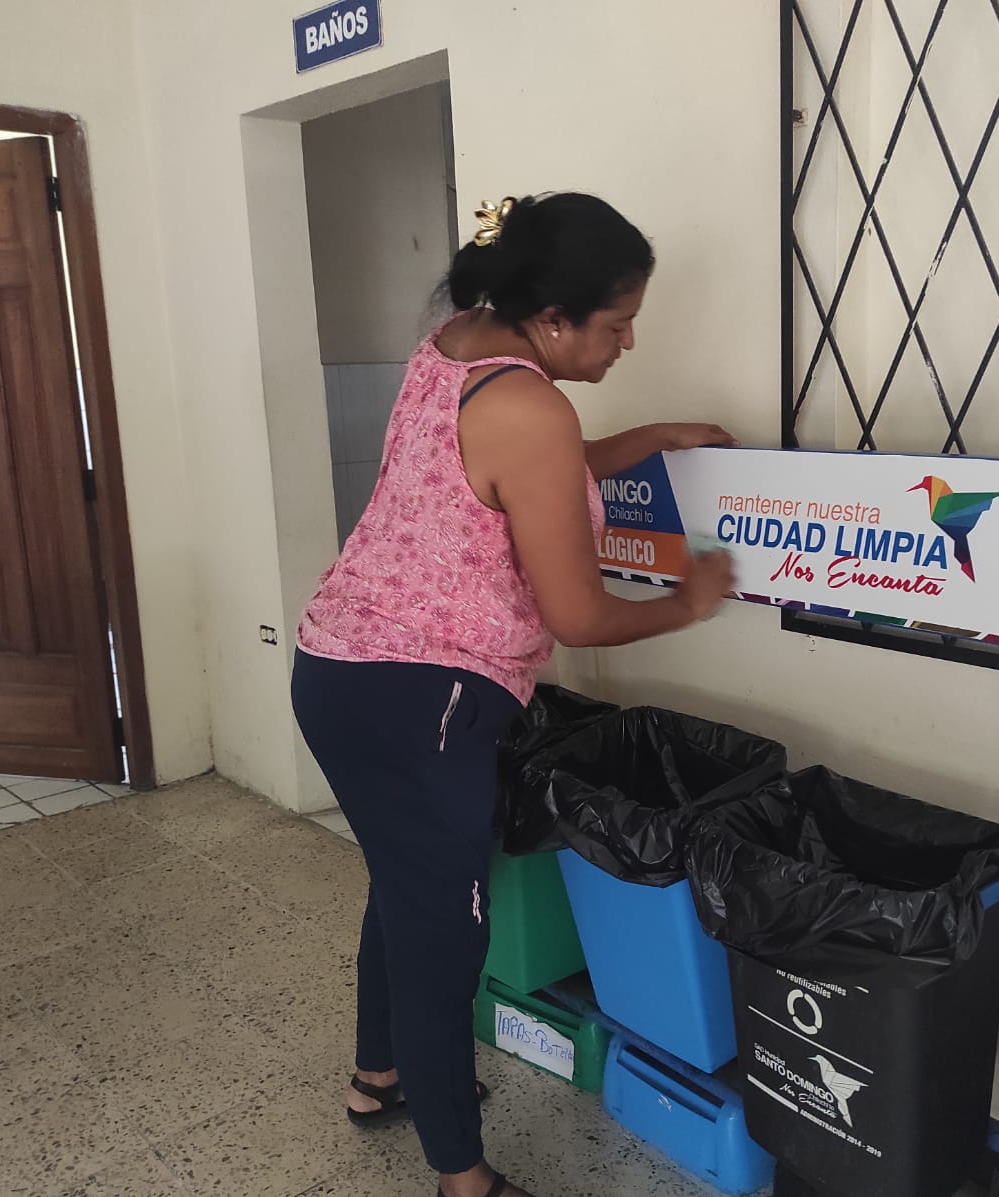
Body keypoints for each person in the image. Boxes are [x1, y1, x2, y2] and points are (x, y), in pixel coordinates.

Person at [290, 192, 737, 1197]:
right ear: (554, 320)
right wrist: (689, 599)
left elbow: (522, 474)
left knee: (405, 889)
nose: (628, 342)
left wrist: (649, 436)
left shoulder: (456, 344)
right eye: (617, 324)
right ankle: (464, 1177)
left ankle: (379, 1075)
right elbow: (578, 615)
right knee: (447, 933)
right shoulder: (534, 408)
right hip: (420, 701)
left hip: (337, 668)